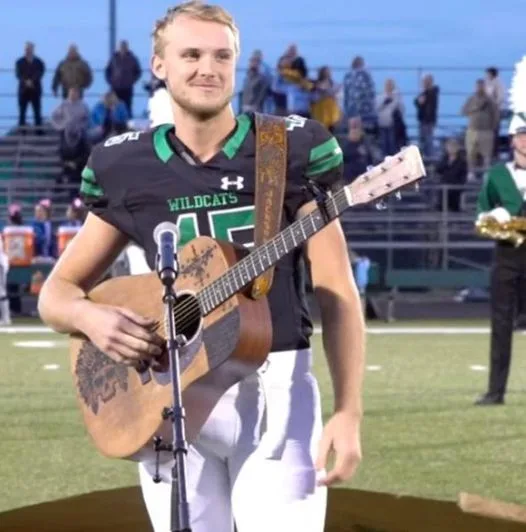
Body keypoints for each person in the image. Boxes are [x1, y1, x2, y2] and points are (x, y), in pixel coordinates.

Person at [37, 2, 365, 531]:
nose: (207, 68)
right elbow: (56, 295)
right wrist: (94, 319)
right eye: (190, 54)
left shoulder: (288, 148)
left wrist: (349, 409)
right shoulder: (126, 165)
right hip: (167, 388)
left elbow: (337, 288)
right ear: (159, 65)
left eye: (221, 55)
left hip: (274, 386)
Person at [474, 57, 526, 405]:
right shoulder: (495, 175)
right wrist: (498, 226)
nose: (525, 142)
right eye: (521, 136)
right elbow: (480, 215)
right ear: (512, 139)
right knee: (501, 327)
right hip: (507, 258)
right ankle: (495, 392)